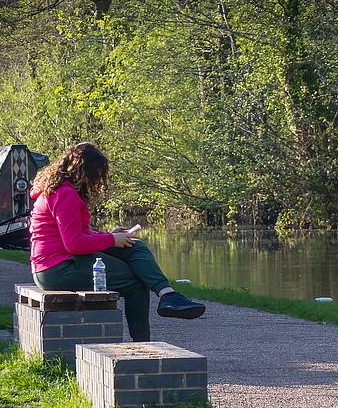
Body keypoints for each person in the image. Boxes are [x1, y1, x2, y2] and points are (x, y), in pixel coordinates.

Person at [28, 142, 205, 341]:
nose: (97, 181)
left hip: (61, 262)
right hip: (57, 269)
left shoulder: (62, 190)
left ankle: (167, 294)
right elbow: (74, 244)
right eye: (96, 175)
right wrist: (112, 240)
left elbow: (79, 234)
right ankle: (142, 344)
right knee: (136, 283)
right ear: (84, 171)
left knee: (133, 244)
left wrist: (111, 235)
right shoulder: (65, 194)